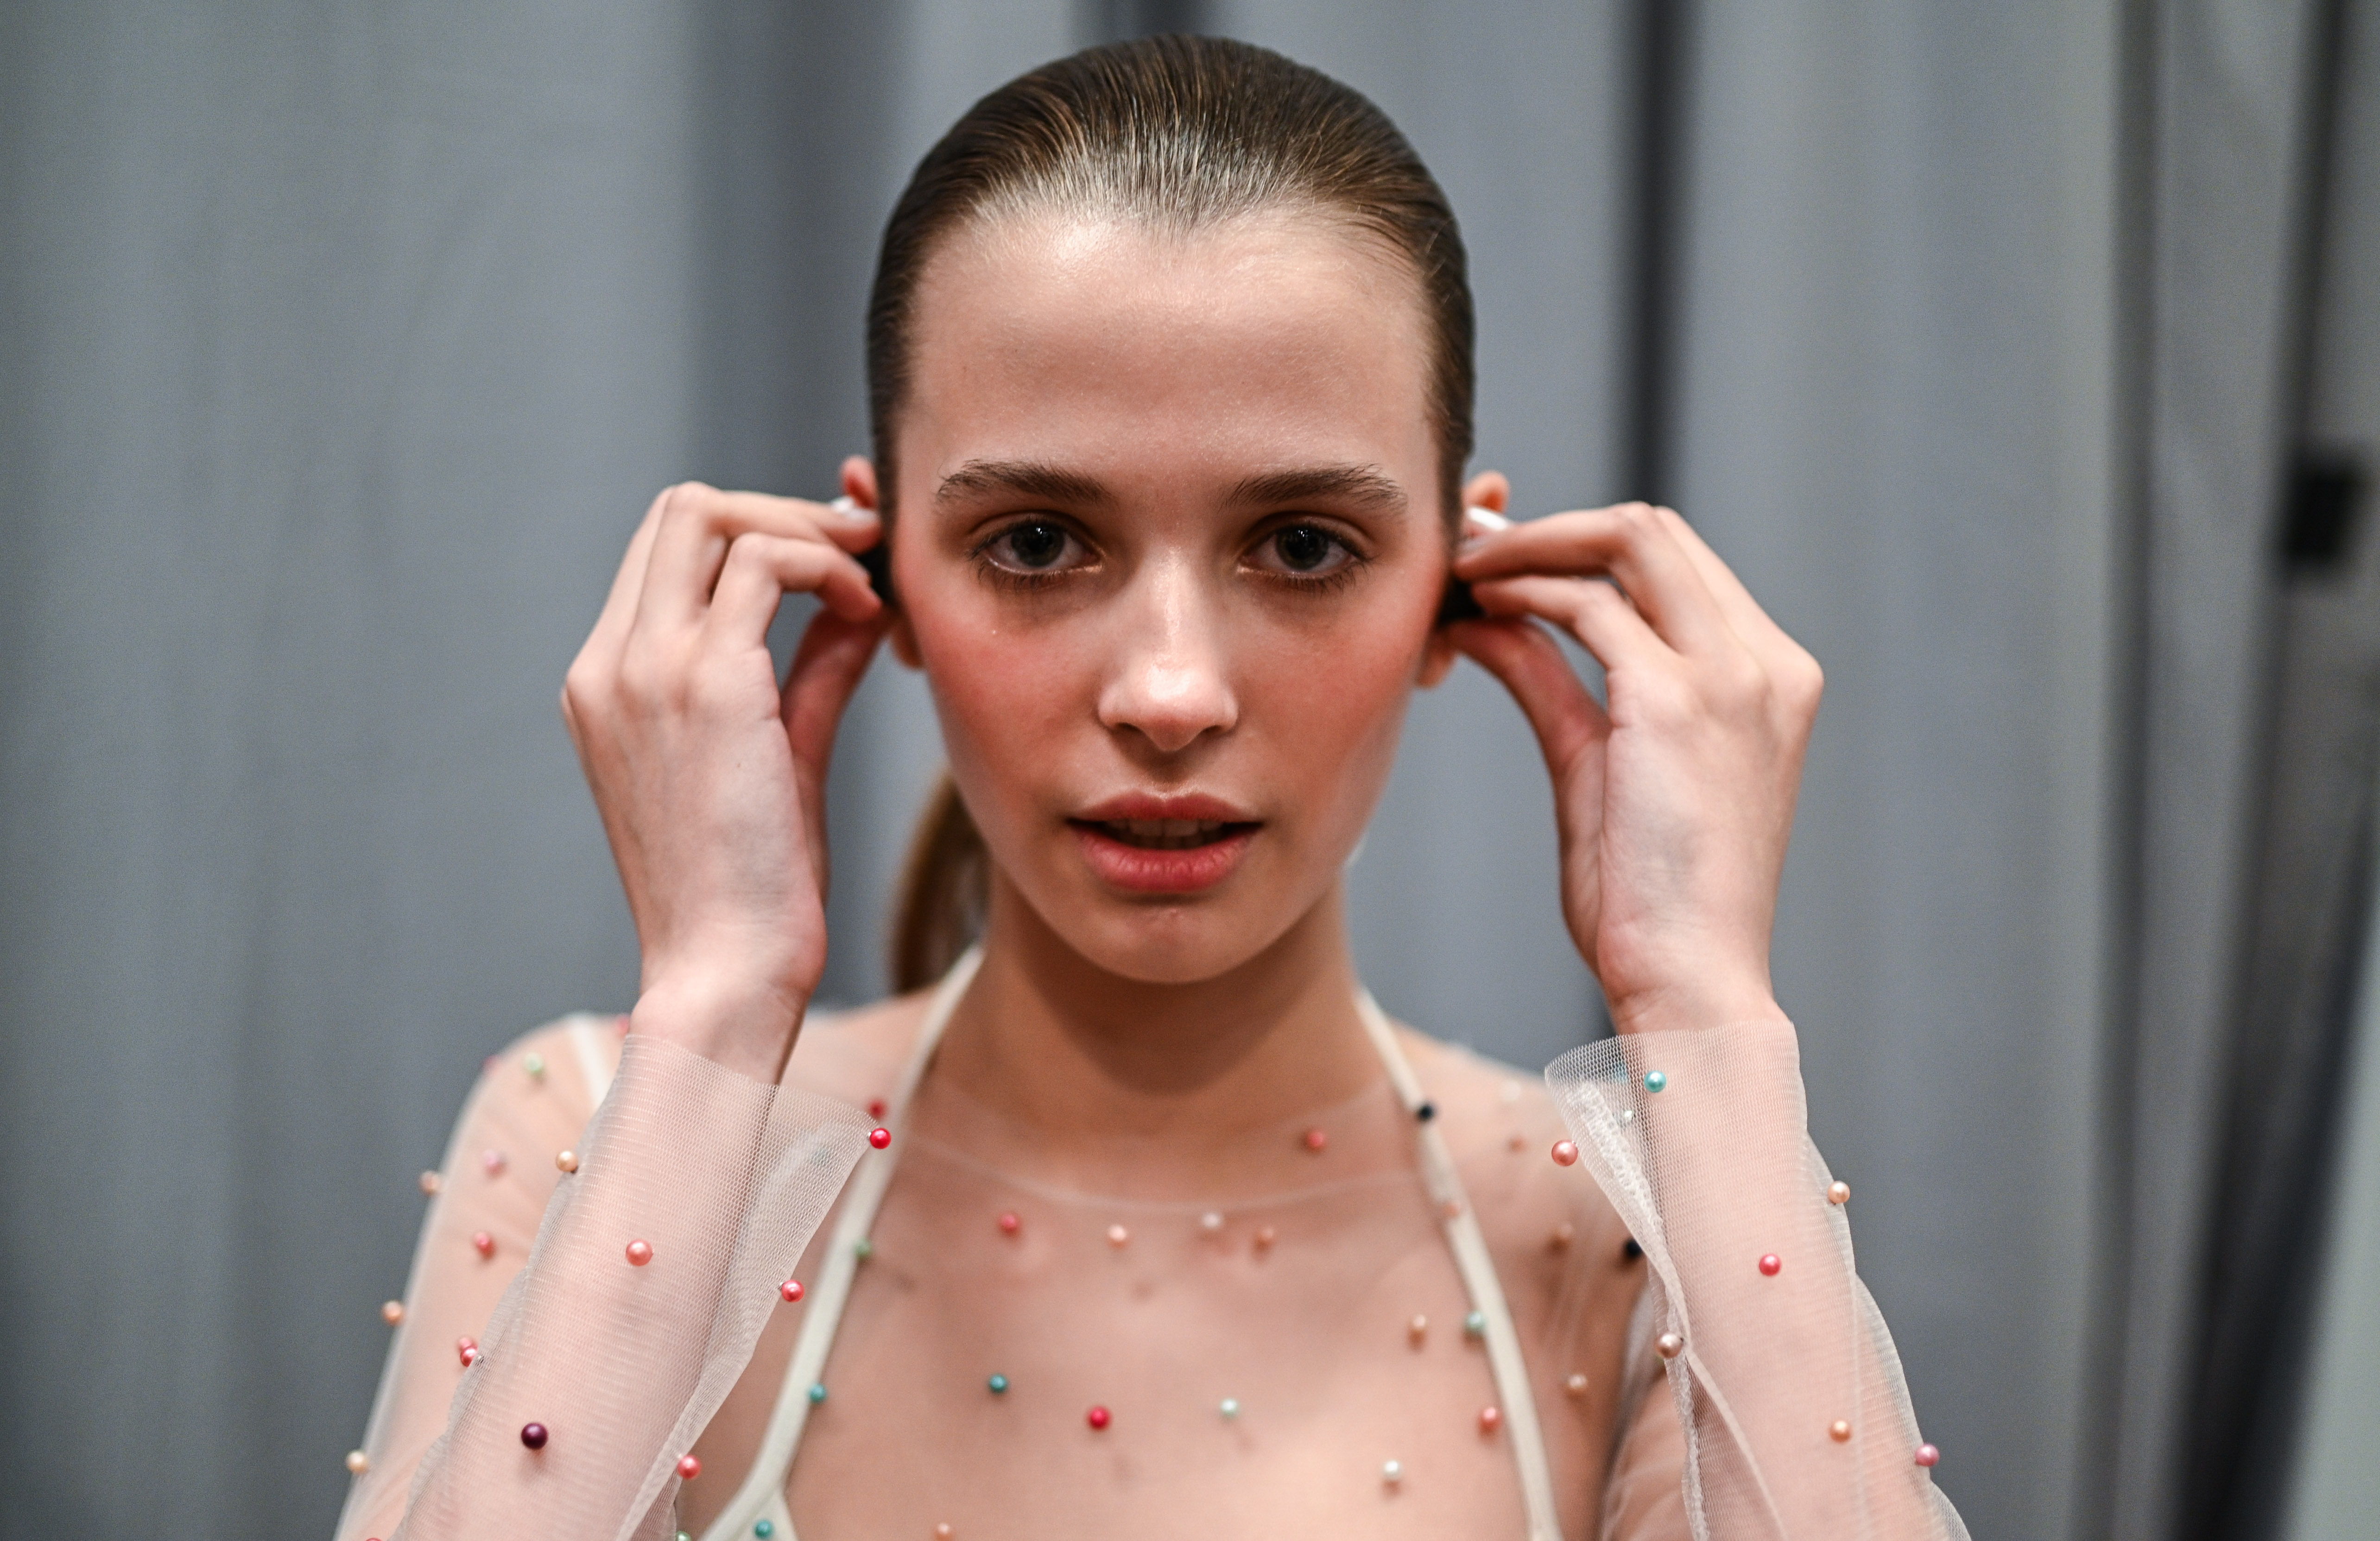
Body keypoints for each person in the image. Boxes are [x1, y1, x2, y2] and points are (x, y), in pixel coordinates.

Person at [335, 35, 1966, 1541]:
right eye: (1037, 544)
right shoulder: (585, 1139)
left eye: (1305, 547)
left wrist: (1706, 1009)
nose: (1171, 694)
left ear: (1455, 596)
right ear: (879, 571)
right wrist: (708, 1003)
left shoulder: (1617, 1235)